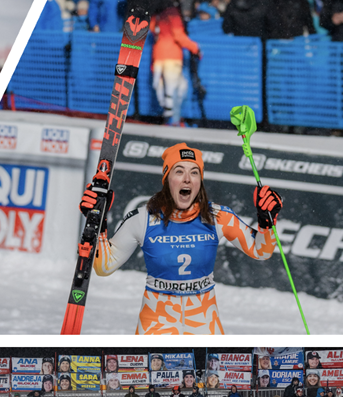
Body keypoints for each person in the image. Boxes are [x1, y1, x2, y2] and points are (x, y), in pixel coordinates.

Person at [84, 143, 283, 334]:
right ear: (167, 179)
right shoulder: (142, 218)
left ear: (200, 181)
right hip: (156, 323)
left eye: (194, 172)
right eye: (179, 171)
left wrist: (267, 224)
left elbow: (261, 252)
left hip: (204, 322)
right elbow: (104, 267)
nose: (187, 178)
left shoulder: (219, 217)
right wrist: (98, 225)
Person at [150, 0, 200, 126]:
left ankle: (170, 119)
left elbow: (152, 29)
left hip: (158, 55)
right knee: (174, 90)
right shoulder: (173, 14)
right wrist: (195, 48)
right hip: (172, 56)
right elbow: (178, 35)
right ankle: (173, 122)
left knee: (164, 88)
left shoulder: (156, 15)